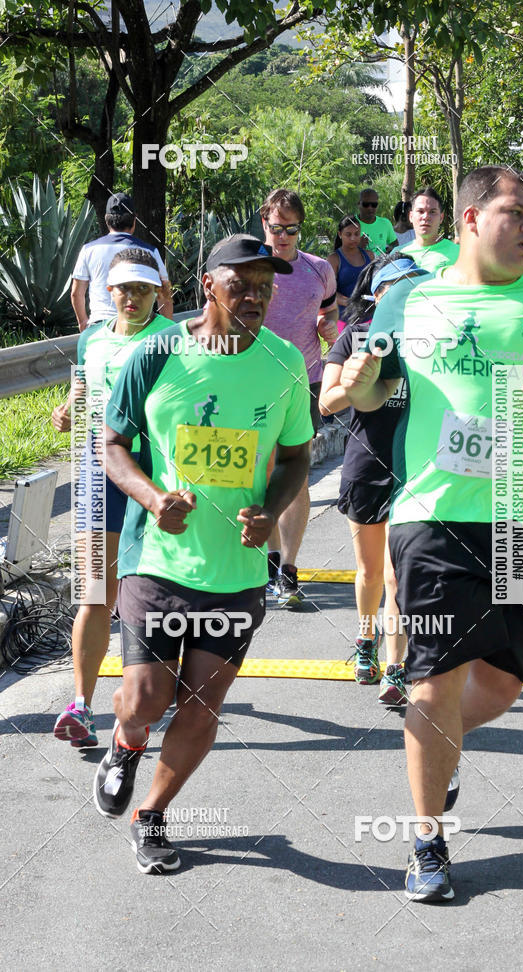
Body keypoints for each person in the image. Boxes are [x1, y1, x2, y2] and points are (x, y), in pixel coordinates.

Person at [341, 164, 523, 902]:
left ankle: (445, 750)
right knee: (432, 677)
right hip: (430, 515)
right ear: (468, 221)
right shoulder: (408, 300)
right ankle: (426, 844)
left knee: (501, 682)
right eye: (515, 213)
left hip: (519, 512)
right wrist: (356, 384)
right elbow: (368, 389)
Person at [93, 234, 313, 874]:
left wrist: (269, 511)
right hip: (158, 559)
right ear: (207, 284)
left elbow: (297, 456)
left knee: (202, 704)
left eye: (265, 289)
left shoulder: (284, 363)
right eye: (240, 285)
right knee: (143, 700)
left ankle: (152, 815)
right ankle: (125, 748)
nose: (254, 298)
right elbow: (113, 444)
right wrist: (153, 496)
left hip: (238, 572)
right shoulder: (157, 353)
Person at [52, 249, 173, 747]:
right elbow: (82, 387)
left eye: (142, 290)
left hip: (149, 475)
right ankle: (80, 704)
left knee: (143, 596)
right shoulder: (91, 339)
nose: (131, 298)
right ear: (109, 291)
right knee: (96, 590)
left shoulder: (169, 343)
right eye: (123, 289)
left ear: (156, 294)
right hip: (97, 471)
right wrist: (66, 408)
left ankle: (144, 697)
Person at [319, 253, 427, 703]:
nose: (405, 297)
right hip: (367, 464)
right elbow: (326, 404)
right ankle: (365, 640)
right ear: (377, 295)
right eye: (395, 288)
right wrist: (353, 380)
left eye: (414, 286)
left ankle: (397, 666)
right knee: (369, 571)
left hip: (418, 469)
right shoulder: (356, 339)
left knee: (399, 575)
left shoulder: (436, 341)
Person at [260, 188, 339, 605]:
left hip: (305, 381)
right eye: (277, 228)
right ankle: (271, 560)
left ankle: (289, 568)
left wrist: (329, 327)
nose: (284, 236)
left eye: (291, 229)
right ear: (264, 224)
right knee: (261, 474)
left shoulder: (319, 269)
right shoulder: (250, 265)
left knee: (296, 474)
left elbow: (329, 312)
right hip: (252, 381)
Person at [71, 192, 173, 330]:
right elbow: (164, 296)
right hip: (137, 327)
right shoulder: (150, 252)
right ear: (134, 220)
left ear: (107, 220)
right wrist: (168, 329)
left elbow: (76, 293)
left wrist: (83, 323)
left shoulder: (88, 250)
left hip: (100, 327)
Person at [395, 186, 459, 272]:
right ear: (411, 216)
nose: (426, 217)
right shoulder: (397, 255)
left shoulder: (459, 253)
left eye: (432, 212)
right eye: (420, 211)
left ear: (441, 217)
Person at [326, 215, 373, 316]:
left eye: (357, 234)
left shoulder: (370, 255)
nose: (353, 238)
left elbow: (377, 283)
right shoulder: (334, 259)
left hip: (368, 316)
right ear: (340, 234)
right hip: (344, 318)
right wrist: (351, 303)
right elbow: (329, 292)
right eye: (348, 234)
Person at [356, 188, 397, 257]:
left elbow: (395, 244)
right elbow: (340, 251)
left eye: (374, 205)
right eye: (366, 204)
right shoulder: (350, 223)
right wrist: (357, 246)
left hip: (381, 266)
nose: (370, 208)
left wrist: (390, 250)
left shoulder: (385, 223)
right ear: (358, 204)